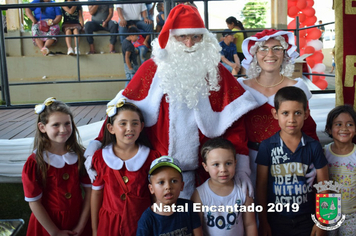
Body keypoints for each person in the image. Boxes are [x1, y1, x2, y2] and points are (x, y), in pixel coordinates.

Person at [84, 4, 259, 199]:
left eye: (196, 36)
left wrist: (242, 165)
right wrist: (98, 142)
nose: (189, 44)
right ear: (170, 38)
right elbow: (121, 110)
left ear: (204, 38)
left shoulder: (216, 73)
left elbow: (235, 124)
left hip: (208, 177)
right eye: (182, 36)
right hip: (158, 175)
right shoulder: (151, 69)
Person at [237, 29, 319, 189]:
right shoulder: (241, 87)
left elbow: (308, 128)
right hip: (248, 163)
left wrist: (315, 159)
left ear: (285, 53)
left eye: (276, 48)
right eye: (263, 48)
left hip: (289, 161)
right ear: (254, 54)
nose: (270, 54)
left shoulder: (298, 87)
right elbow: (234, 130)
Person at [255, 86, 329, 236]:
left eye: (297, 113)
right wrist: (263, 222)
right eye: (285, 113)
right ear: (275, 114)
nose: (292, 119)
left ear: (306, 114)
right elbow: (261, 186)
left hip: (308, 220)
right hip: (276, 219)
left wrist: (322, 221)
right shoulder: (267, 146)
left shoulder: (313, 146)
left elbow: (324, 186)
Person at [22, 97, 92, 236]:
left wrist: (80, 226)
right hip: (47, 226)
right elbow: (35, 202)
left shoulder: (80, 156)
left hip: (78, 221)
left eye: (67, 123)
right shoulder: (35, 162)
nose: (63, 129)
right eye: (56, 125)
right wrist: (54, 232)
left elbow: (90, 193)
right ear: (42, 127)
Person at [90, 98, 160, 236]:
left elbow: (156, 196)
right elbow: (96, 194)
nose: (129, 128)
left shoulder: (152, 157)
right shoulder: (100, 158)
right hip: (109, 224)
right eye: (123, 123)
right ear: (111, 128)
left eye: (135, 123)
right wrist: (94, 229)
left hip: (142, 223)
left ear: (141, 126)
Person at [191, 137, 258, 236]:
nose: (223, 169)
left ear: (235, 163)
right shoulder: (199, 195)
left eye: (228, 163)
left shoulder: (243, 191)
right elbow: (197, 228)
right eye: (216, 164)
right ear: (206, 167)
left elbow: (250, 224)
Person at [136, 156, 203, 235]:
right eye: (161, 182)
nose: (168, 187)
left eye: (174, 181)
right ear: (151, 189)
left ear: (182, 185)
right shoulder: (147, 220)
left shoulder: (188, 208)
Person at [324, 105, 356, 236]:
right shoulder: (323, 152)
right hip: (328, 212)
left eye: (350, 124)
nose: (344, 128)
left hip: (352, 215)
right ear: (329, 129)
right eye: (338, 124)